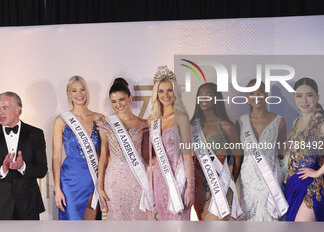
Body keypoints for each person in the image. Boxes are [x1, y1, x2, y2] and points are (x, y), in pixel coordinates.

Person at [0, 91, 47, 220]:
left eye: (5, 108)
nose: (0, 112)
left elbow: (42, 169)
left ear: (18, 109)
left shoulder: (36, 134)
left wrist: (23, 166)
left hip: (28, 205)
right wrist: (2, 170)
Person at [97, 78, 152, 220]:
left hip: (137, 179)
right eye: (114, 101)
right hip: (113, 179)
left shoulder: (143, 124)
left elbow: (147, 158)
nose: (118, 104)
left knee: (137, 219)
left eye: (122, 99)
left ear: (130, 98)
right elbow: (103, 157)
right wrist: (100, 186)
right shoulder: (106, 124)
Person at [52, 75, 103, 220]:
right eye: (74, 91)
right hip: (70, 181)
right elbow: (56, 157)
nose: (79, 94)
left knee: (92, 224)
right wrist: (57, 188)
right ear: (68, 93)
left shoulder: (99, 118)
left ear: (87, 92)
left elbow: (103, 155)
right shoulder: (61, 120)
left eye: (82, 90)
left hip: (93, 180)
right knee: (72, 223)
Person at [148, 66, 194, 220]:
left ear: (176, 92)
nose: (165, 95)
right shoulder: (152, 120)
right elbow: (152, 155)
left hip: (178, 179)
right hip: (159, 180)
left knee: (179, 221)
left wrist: (190, 188)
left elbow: (188, 155)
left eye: (169, 90)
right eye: (161, 91)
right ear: (156, 93)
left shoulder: (180, 117)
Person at [191, 82, 243, 221]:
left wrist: (230, 181)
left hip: (221, 186)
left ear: (216, 99)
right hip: (198, 190)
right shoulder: (192, 126)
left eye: (208, 96)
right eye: (201, 96)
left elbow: (238, 158)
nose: (204, 99)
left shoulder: (226, 126)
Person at [238, 79, 288, 221]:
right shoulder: (240, 122)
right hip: (247, 182)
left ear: (266, 94)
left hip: (270, 179)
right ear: (247, 98)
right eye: (252, 93)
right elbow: (237, 157)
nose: (257, 96)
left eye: (260, 91)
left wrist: (286, 179)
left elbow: (282, 154)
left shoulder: (279, 121)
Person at [285, 77, 324, 221]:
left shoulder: (320, 124)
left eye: (309, 95)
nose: (304, 100)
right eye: (299, 96)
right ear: (294, 98)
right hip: (293, 184)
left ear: (317, 97)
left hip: (310, 187)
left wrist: (317, 172)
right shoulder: (296, 122)